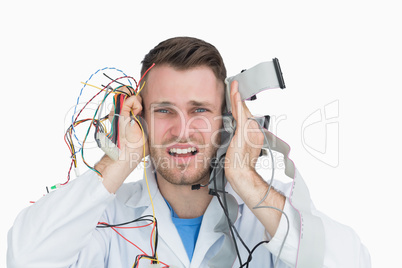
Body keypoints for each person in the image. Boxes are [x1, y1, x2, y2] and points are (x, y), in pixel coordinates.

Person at [7, 37, 371, 268]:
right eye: (164, 110)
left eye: (199, 110)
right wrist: (118, 162)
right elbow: (24, 259)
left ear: (228, 119)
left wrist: (245, 177)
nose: (181, 130)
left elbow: (352, 261)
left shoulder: (268, 210)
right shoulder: (104, 219)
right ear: (139, 118)